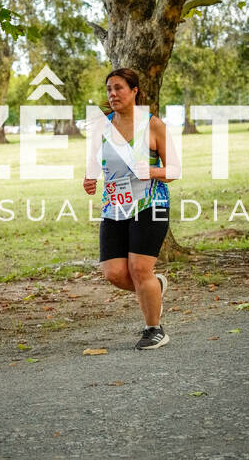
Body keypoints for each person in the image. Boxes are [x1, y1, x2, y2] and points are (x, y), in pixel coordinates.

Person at [83, 68, 180, 350]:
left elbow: (174, 169)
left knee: (139, 268)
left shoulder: (153, 125)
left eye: (118, 88)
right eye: (109, 89)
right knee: (113, 272)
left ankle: (154, 329)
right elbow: (95, 160)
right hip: (114, 206)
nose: (112, 94)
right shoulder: (102, 126)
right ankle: (154, 288)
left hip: (151, 204)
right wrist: (90, 178)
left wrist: (151, 170)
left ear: (134, 91)